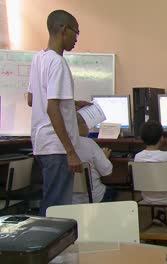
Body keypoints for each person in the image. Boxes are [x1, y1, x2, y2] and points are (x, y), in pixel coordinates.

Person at [27, 10, 90, 216]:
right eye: (76, 33)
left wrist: (70, 104)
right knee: (58, 208)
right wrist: (71, 152)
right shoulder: (58, 63)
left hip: (42, 143)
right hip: (58, 147)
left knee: (50, 201)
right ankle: (51, 247)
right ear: (64, 29)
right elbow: (51, 107)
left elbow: (32, 99)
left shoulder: (39, 58)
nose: (76, 39)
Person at [72, 113, 115, 204]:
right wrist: (105, 157)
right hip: (94, 198)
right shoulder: (89, 143)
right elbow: (107, 172)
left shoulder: (59, 145)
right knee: (114, 191)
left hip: (70, 201)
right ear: (80, 125)